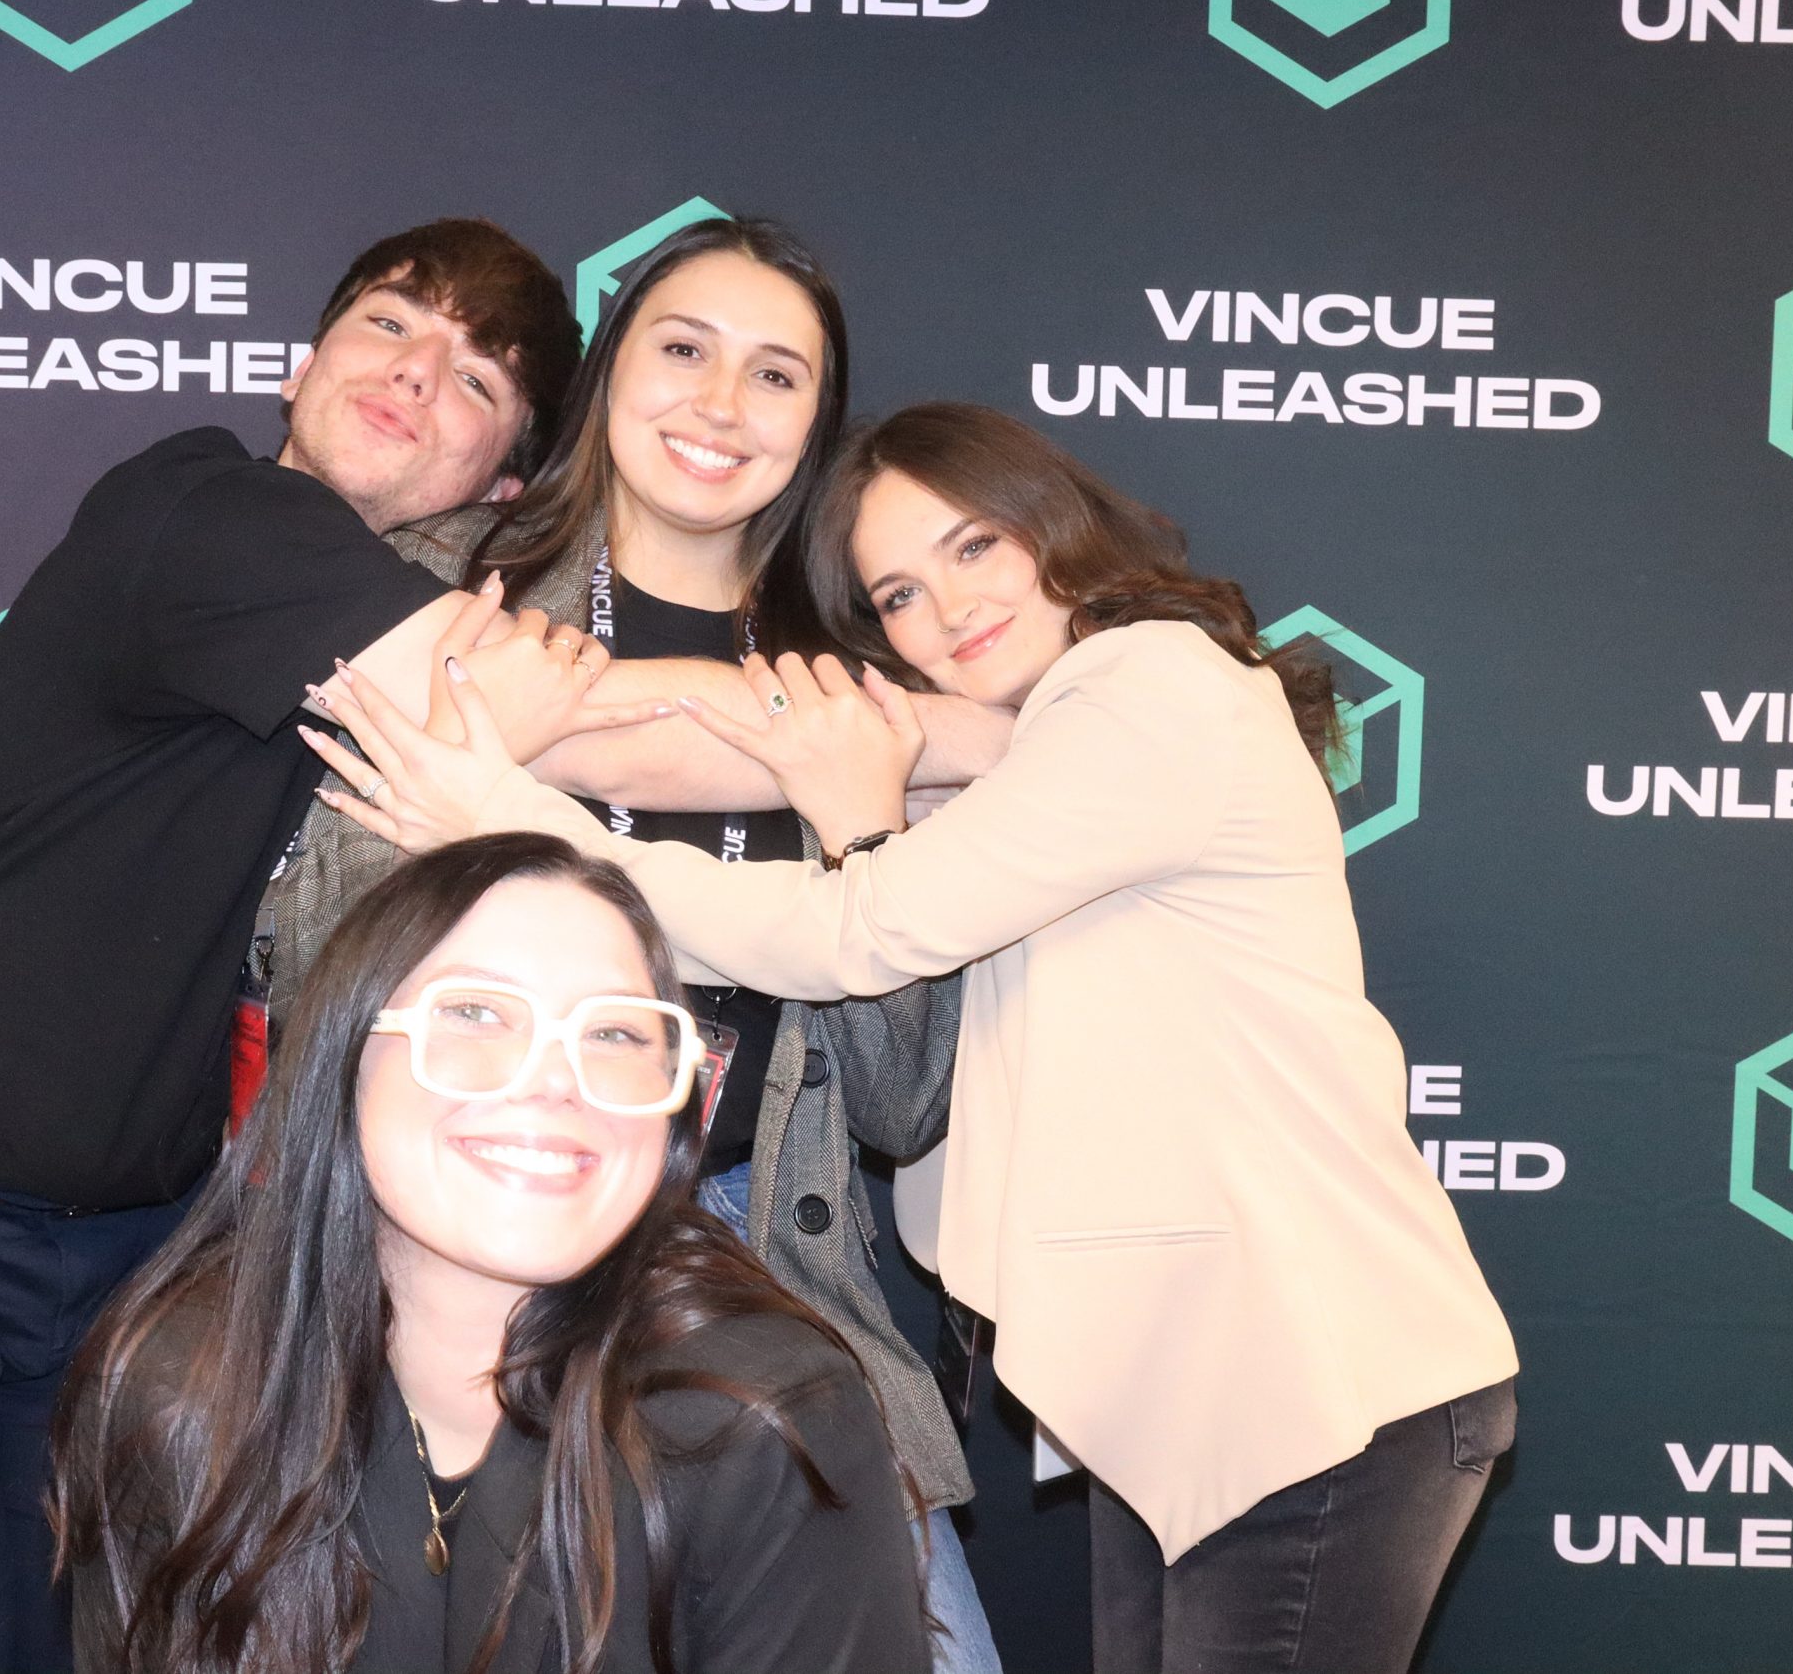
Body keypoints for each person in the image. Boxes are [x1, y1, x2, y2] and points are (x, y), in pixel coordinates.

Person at [310, 402, 1523, 1674]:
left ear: (1056, 525)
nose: (945, 609)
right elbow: (726, 744)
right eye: (896, 593)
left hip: (1308, 1370)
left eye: (974, 545)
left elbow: (857, 929)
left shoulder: (1152, 684)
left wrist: (510, 816)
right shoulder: (1038, 741)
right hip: (1198, 1378)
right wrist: (501, 729)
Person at [0, 218, 644, 1674]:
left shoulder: (386, 629)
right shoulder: (208, 508)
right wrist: (948, 743)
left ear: (501, 479)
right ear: (301, 365)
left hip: (120, 1265)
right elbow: (548, 714)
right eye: (391, 324)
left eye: (477, 377)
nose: (415, 372)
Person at [273, 218, 1005, 1672]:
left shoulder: (863, 677)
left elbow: (902, 1104)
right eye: (683, 350)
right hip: (449, 1227)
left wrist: (863, 831)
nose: (721, 405)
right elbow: (310, 968)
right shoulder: (439, 586)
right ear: (610, 374)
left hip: (750, 1251)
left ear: (816, 424)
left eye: (776, 374)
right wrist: (487, 763)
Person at [55, 833, 928, 1674]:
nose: (553, 1079)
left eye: (615, 1033)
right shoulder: (180, 1387)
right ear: (340, 1058)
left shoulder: (762, 1423)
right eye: (473, 1012)